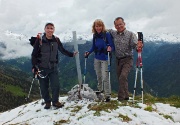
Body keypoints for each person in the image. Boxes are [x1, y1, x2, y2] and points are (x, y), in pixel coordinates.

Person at [31, 22, 77, 109]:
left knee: (55, 85)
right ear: (45, 29)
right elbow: (34, 54)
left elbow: (62, 50)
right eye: (47, 28)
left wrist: (71, 54)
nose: (49, 30)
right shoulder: (40, 40)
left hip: (53, 67)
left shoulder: (56, 40)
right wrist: (34, 66)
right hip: (42, 67)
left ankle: (55, 101)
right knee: (44, 86)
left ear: (54, 30)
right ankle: (47, 102)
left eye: (51, 28)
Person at [109, 17, 143, 101]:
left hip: (127, 59)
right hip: (118, 60)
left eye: (120, 24)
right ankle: (126, 96)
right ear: (115, 26)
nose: (119, 26)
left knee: (122, 77)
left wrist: (138, 46)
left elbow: (135, 46)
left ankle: (121, 98)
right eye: (117, 25)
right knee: (122, 78)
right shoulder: (113, 33)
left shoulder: (131, 34)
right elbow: (106, 30)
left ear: (124, 24)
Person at [85, 19, 114, 102]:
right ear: (94, 27)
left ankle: (108, 95)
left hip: (105, 58)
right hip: (97, 57)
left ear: (102, 26)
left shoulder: (106, 35)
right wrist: (88, 52)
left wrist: (110, 48)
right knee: (99, 75)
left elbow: (112, 45)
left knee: (105, 77)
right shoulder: (95, 35)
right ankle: (100, 90)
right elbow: (93, 47)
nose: (98, 28)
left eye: (100, 26)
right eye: (96, 26)